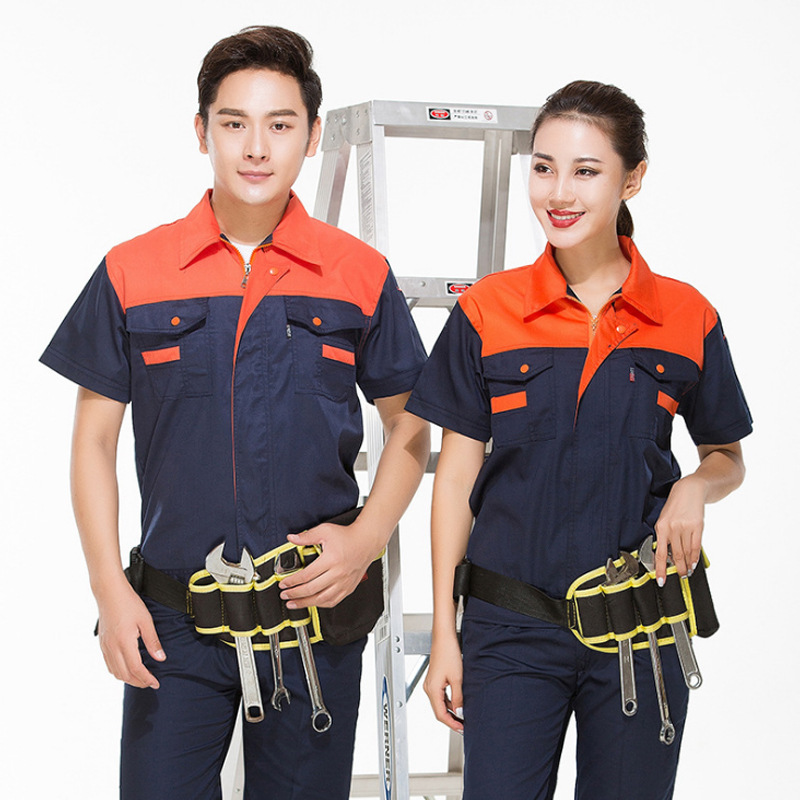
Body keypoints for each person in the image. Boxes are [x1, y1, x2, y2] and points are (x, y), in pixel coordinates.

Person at [40, 25, 429, 800]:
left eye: (280, 125)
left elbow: (411, 425)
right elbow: (92, 443)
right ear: (202, 131)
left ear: (311, 137)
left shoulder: (358, 274)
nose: (256, 148)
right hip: (171, 621)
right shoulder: (133, 270)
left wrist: (366, 540)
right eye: (234, 123)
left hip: (311, 617)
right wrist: (109, 590)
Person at [406, 80, 751, 799]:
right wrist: (445, 633)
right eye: (544, 167)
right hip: (509, 628)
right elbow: (455, 482)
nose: (558, 192)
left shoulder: (686, 314)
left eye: (586, 171)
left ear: (633, 179)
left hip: (643, 626)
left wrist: (695, 487)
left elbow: (727, 457)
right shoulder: (487, 310)